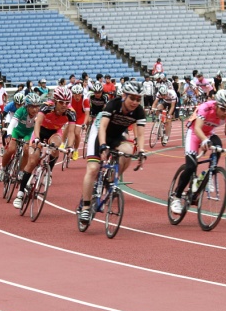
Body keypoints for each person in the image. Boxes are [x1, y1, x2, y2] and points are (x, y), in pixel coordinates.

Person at [79, 81, 147, 222]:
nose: (135, 102)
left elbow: (140, 135)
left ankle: (109, 182)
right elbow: (102, 127)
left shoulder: (139, 111)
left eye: (138, 99)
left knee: (128, 151)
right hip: (99, 133)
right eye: (132, 98)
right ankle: (85, 207)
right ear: (124, 96)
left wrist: (141, 151)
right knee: (93, 168)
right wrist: (103, 146)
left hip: (116, 137)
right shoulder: (113, 104)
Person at [169, 90, 226, 215]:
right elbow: (197, 128)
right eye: (223, 109)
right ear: (216, 105)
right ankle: (176, 197)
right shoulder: (206, 107)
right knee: (191, 166)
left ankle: (210, 175)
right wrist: (204, 140)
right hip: (194, 134)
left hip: (209, 134)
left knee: (218, 146)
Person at [13, 86, 76, 210]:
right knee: (32, 160)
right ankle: (20, 195)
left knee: (56, 147)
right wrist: (36, 138)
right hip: (40, 131)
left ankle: (49, 172)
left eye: (67, 103)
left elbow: (71, 132)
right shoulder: (47, 106)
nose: (64, 105)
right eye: (61, 102)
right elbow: (38, 122)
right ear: (55, 101)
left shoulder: (71, 112)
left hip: (54, 132)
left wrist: (69, 147)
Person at [0, 93, 41, 183]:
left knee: (26, 149)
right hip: (17, 131)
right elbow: (12, 124)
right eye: (32, 107)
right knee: (11, 150)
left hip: (28, 134)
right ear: (27, 106)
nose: (35, 109)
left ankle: (21, 171)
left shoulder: (39, 114)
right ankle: (2, 168)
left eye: (37, 107)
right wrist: (9, 134)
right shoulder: (21, 111)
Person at [68, 84, 90, 161]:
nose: (77, 97)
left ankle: (76, 150)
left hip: (81, 116)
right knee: (70, 130)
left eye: (79, 95)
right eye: (75, 95)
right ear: (73, 94)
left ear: (81, 94)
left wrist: (84, 123)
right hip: (72, 115)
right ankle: (66, 144)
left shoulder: (85, 100)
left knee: (77, 133)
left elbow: (87, 114)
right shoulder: (70, 98)